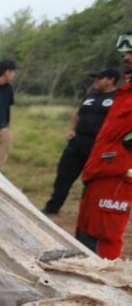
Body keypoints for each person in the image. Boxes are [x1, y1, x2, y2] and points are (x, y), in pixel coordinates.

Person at [76, 31, 132, 259]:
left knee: (103, 238)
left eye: (130, 53)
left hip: (118, 175)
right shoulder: (126, 92)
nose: (127, 58)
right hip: (98, 172)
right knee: (84, 233)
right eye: (126, 54)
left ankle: (101, 288)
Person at [43, 68, 120, 215]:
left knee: (91, 181)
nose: (96, 81)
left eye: (100, 78)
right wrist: (71, 129)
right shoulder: (91, 95)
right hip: (78, 140)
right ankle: (52, 208)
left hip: (98, 145)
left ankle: (87, 212)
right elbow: (79, 113)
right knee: (64, 175)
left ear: (111, 80)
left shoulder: (117, 98)